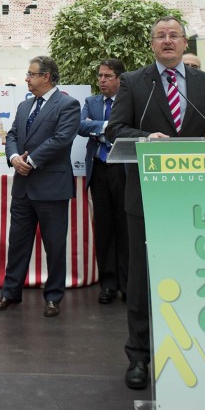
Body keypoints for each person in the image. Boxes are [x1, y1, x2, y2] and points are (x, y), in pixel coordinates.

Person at [106, 16, 205, 389]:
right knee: (143, 278)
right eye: (160, 36)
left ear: (184, 42)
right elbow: (115, 129)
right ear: (152, 44)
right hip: (147, 197)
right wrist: (147, 138)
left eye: (173, 35)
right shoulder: (133, 82)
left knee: (191, 275)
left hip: (193, 198)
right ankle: (139, 356)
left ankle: (189, 351)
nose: (167, 40)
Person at [0, 55, 81, 318]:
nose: (26, 79)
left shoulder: (68, 104)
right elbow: (12, 135)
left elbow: (61, 139)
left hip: (52, 187)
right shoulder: (23, 105)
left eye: (31, 74)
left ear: (47, 77)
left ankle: (53, 297)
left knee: (54, 246)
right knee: (17, 244)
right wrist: (13, 157)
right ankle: (10, 293)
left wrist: (30, 161)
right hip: (23, 188)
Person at [78, 59, 128, 305]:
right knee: (104, 228)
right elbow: (80, 126)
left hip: (123, 170)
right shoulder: (92, 102)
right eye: (100, 76)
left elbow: (129, 130)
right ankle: (108, 283)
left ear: (119, 78)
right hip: (99, 169)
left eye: (107, 76)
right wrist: (109, 126)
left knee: (125, 227)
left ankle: (127, 284)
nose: (102, 80)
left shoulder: (129, 101)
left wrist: (97, 129)